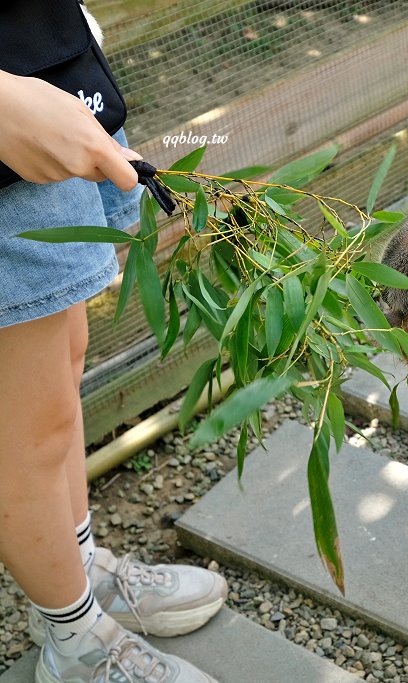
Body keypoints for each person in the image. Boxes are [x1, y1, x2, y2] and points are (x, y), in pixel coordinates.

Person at [0, 5, 225, 683]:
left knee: (62, 359)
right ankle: (73, 643)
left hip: (42, 62)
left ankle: (76, 573)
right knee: (24, 425)